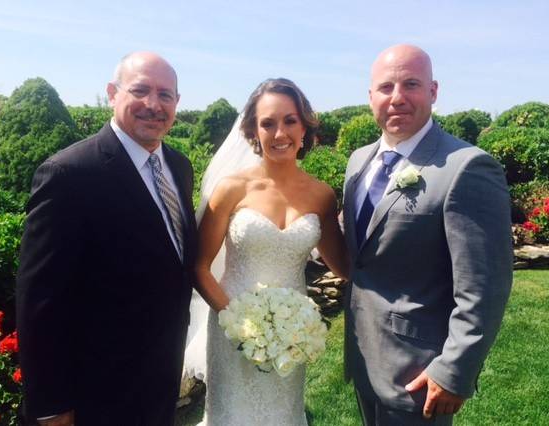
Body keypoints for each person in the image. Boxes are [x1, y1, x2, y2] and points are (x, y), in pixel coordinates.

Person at [16, 52, 197, 426]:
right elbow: (40, 298)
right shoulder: (69, 174)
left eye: (165, 94)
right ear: (112, 94)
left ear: (177, 103)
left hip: (159, 380)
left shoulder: (179, 166)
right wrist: (51, 404)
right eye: (140, 90)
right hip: (96, 392)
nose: (153, 104)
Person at [343, 44, 513, 425]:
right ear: (370, 96)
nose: (397, 98)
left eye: (411, 84)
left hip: (420, 374)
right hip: (364, 358)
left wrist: (453, 370)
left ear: (433, 91)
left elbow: (485, 287)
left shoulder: (467, 168)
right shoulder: (358, 162)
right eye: (386, 87)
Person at [192, 78, 349, 425]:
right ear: (253, 130)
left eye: (290, 120)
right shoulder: (232, 189)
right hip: (232, 326)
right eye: (268, 123)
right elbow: (200, 267)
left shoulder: (321, 195)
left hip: (292, 334)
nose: (280, 133)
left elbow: (344, 266)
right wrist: (238, 323)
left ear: (305, 125)